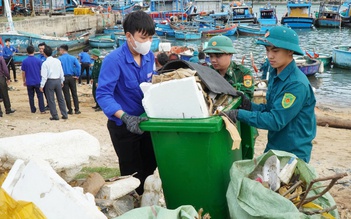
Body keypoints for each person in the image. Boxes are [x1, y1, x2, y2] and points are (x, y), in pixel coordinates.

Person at [224, 26, 316, 163]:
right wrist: (250, 106)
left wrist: (239, 114)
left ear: (290, 51)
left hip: (292, 153)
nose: (270, 56)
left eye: (275, 50)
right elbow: (271, 109)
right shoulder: (275, 73)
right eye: (267, 50)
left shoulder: (296, 85)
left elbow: (275, 120)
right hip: (275, 146)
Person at [96, 10, 157, 195]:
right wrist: (125, 116)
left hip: (145, 123)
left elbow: (152, 84)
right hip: (124, 126)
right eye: (143, 37)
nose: (147, 42)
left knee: (150, 169)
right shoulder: (113, 60)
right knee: (132, 176)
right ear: (129, 36)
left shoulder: (149, 56)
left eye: (150, 38)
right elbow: (103, 94)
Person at [40, 46, 68, 121]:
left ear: (44, 54)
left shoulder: (45, 63)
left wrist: (42, 85)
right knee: (60, 98)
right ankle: (64, 113)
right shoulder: (57, 61)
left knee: (51, 99)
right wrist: (62, 80)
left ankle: (55, 115)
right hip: (58, 80)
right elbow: (61, 72)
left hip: (50, 81)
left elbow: (44, 76)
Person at [21, 45, 45, 114]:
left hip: (29, 81)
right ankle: (42, 109)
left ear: (27, 52)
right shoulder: (38, 60)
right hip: (37, 80)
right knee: (40, 95)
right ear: (34, 51)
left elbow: (23, 72)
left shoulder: (24, 61)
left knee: (31, 96)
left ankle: (33, 109)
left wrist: (24, 81)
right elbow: (41, 71)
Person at [58, 44, 81, 115]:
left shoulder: (60, 58)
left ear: (62, 50)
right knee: (74, 93)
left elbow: (58, 68)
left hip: (64, 77)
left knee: (66, 94)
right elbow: (78, 66)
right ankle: (77, 109)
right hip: (72, 77)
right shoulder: (73, 58)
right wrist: (77, 75)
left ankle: (70, 109)